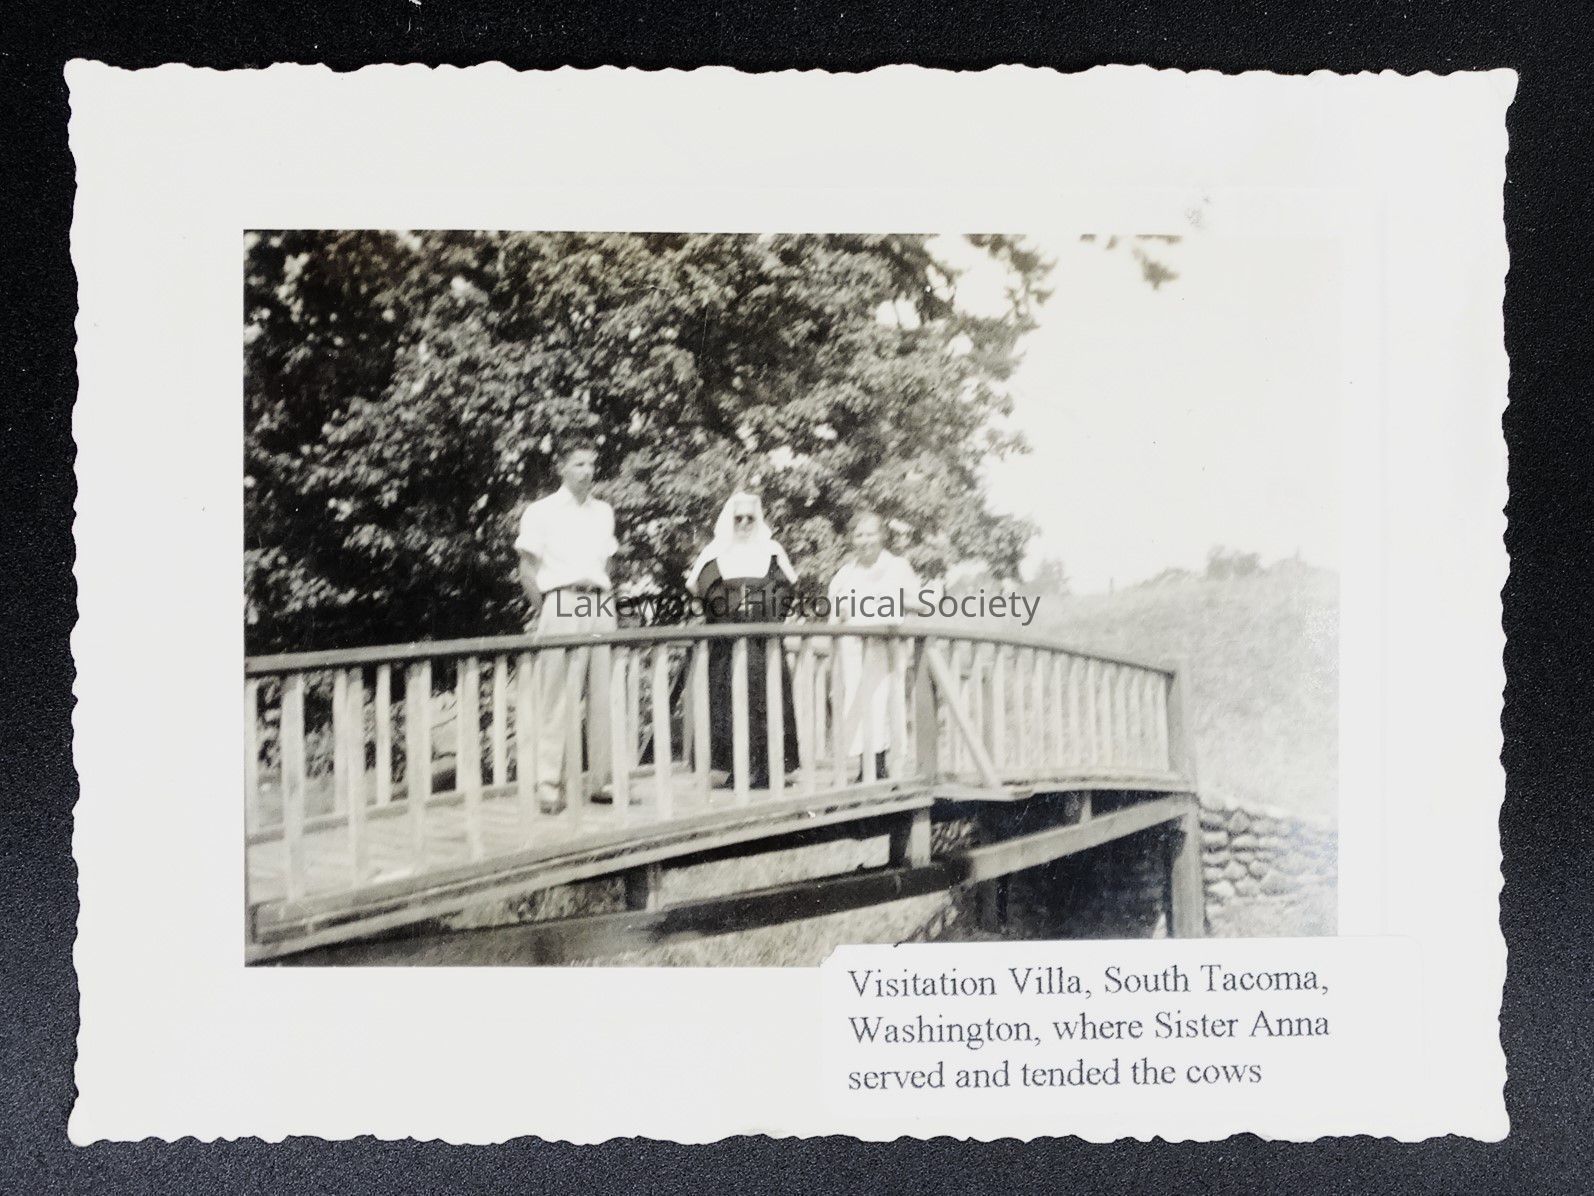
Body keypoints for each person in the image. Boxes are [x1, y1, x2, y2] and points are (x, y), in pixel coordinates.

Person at [516, 435, 618, 813]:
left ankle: (601, 781)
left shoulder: (603, 512)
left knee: (604, 694)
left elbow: (607, 563)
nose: (587, 472)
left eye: (591, 464)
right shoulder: (540, 511)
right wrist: (550, 608)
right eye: (578, 464)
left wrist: (599, 598)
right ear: (561, 467)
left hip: (598, 601)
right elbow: (527, 571)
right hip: (561, 600)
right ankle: (548, 785)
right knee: (556, 697)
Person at [685, 492, 801, 789]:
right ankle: (736, 770)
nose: (745, 524)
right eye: (739, 518)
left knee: (767, 700)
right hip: (727, 645)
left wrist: (760, 607)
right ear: (730, 520)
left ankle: (767, 769)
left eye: (751, 518)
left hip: (763, 644)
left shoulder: (772, 550)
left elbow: (786, 588)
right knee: (729, 703)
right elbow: (702, 588)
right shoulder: (715, 552)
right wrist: (733, 607)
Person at [827, 510, 920, 780]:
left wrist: (891, 600)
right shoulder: (845, 574)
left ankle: (883, 766)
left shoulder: (898, 567)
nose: (865, 540)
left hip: (886, 648)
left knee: (885, 703)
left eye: (870, 534)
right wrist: (840, 615)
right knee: (857, 703)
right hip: (853, 650)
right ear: (851, 539)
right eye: (859, 535)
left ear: (882, 536)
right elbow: (833, 616)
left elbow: (922, 604)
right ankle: (865, 767)